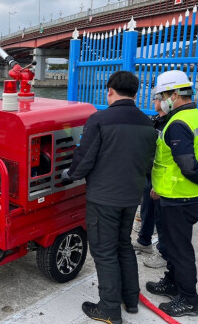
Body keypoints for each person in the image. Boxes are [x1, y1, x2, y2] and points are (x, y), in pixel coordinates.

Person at [61, 71, 156, 324]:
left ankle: (109, 308)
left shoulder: (100, 120)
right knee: (123, 245)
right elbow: (148, 165)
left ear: (110, 90)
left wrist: (68, 175)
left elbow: (85, 157)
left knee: (103, 252)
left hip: (104, 198)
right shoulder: (148, 124)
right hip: (130, 197)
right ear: (136, 94)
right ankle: (131, 299)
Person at [145, 70, 198, 317]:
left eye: (161, 95)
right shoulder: (196, 117)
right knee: (173, 246)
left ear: (174, 94)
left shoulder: (178, 123)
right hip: (185, 194)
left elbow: (186, 164)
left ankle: (188, 300)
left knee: (180, 249)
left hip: (181, 197)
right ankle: (172, 282)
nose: (160, 100)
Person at [133, 92, 169, 269]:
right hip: (149, 172)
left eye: (156, 99)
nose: (153, 101)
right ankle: (144, 240)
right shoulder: (155, 120)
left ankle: (164, 253)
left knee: (162, 216)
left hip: (161, 176)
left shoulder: (171, 124)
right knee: (147, 208)